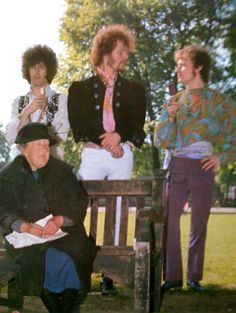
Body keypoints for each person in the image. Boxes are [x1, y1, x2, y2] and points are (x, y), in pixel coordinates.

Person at [154, 45, 236, 292]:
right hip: (177, 165)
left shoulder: (219, 101)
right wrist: (169, 119)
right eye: (177, 64)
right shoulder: (174, 100)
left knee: (199, 222)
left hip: (203, 167)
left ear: (198, 66)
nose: (177, 69)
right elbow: (163, 141)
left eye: (183, 64)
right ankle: (172, 277)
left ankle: (194, 277)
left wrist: (222, 157)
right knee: (170, 220)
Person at [0, 123, 96, 313]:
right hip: (26, 239)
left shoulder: (62, 171)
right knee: (39, 260)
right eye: (38, 145)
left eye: (46, 145)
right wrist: (23, 226)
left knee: (74, 254)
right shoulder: (8, 176)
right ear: (24, 149)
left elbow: (78, 201)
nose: (44, 150)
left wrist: (60, 220)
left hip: (65, 234)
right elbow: (3, 208)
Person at [67, 24, 146, 181]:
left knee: (119, 205)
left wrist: (118, 136)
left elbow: (136, 121)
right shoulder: (79, 89)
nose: (126, 56)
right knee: (79, 201)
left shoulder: (135, 90)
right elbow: (80, 123)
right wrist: (109, 143)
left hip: (122, 155)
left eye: (126, 52)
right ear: (105, 52)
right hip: (93, 155)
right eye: (121, 51)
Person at [6, 44, 69, 160]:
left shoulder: (61, 99)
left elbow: (61, 135)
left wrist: (27, 139)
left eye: (41, 67)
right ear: (27, 70)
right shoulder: (18, 102)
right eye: (32, 67)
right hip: (22, 165)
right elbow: (10, 138)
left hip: (52, 161)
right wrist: (26, 112)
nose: (36, 71)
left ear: (48, 70)